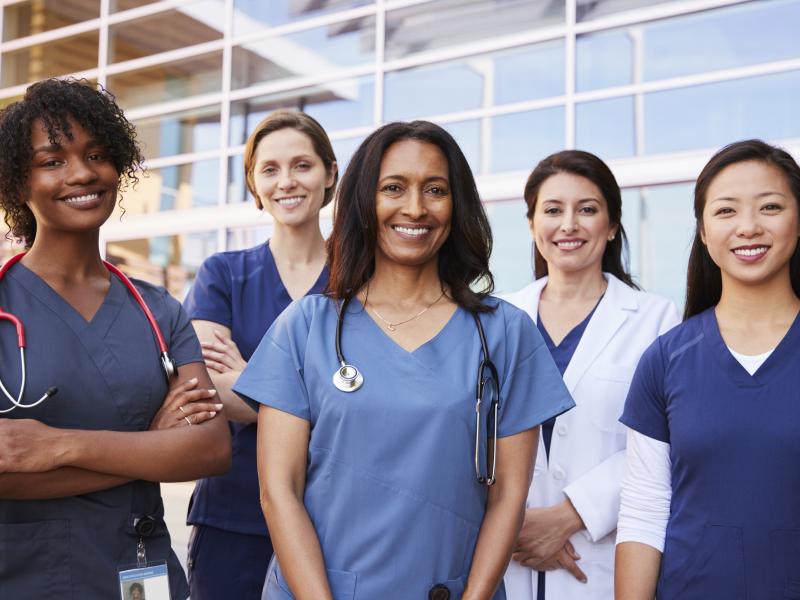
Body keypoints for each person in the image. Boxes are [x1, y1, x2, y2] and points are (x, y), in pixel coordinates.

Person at [234, 120, 576, 600]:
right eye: (393, 188)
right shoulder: (306, 327)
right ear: (363, 202)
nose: (415, 208)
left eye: (435, 189)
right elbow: (279, 492)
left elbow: (508, 497)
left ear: (456, 205)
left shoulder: (504, 331)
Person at [0, 78, 231, 599]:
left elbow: (211, 449)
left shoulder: (159, 309)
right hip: (24, 577)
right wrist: (151, 448)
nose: (82, 173)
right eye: (52, 160)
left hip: (139, 570)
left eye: (97, 154)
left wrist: (53, 446)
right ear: (18, 182)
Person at [615, 140, 800, 599]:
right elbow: (644, 511)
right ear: (702, 230)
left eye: (771, 206)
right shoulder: (665, 359)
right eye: (725, 212)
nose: (749, 227)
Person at [501, 150, 678, 600]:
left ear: (613, 225)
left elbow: (664, 444)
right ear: (531, 224)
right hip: (505, 559)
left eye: (587, 210)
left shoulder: (656, 319)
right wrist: (516, 528)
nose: (569, 225)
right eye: (553, 210)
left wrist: (568, 515)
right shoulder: (496, 318)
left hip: (599, 562)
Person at [182, 110, 336, 599]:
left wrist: (253, 380)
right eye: (269, 169)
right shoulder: (222, 275)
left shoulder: (362, 283)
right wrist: (318, 394)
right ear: (253, 182)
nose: (286, 181)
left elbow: (375, 402)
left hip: (336, 520)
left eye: (302, 165)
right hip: (233, 520)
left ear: (330, 174)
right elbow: (205, 391)